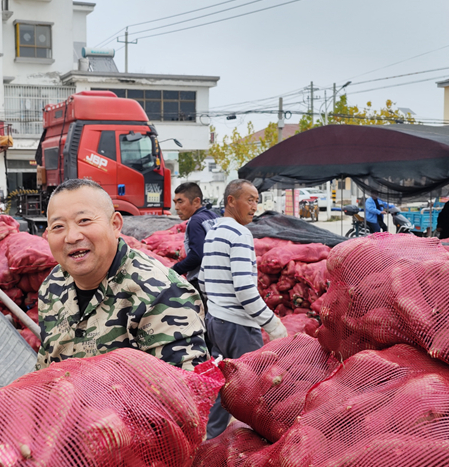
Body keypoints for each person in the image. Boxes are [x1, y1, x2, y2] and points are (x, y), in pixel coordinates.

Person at [37, 178, 210, 372]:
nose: (72, 236)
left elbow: (185, 393)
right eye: (58, 226)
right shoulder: (52, 285)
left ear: (115, 225)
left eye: (84, 221)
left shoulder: (162, 294)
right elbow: (45, 366)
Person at [201, 179, 288, 439]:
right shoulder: (240, 234)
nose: (254, 207)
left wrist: (217, 308)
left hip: (216, 322)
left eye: (257, 201)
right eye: (249, 200)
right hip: (239, 326)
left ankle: (211, 441)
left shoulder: (213, 231)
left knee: (222, 384)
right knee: (258, 388)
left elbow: (204, 280)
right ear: (231, 201)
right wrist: (273, 325)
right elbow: (245, 291)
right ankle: (266, 446)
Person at [172, 182, 219, 301]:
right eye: (175, 202)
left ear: (196, 202)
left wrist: (174, 270)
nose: (176, 207)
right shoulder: (214, 217)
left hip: (201, 282)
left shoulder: (195, 221)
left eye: (180, 201)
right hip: (217, 281)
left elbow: (196, 256)